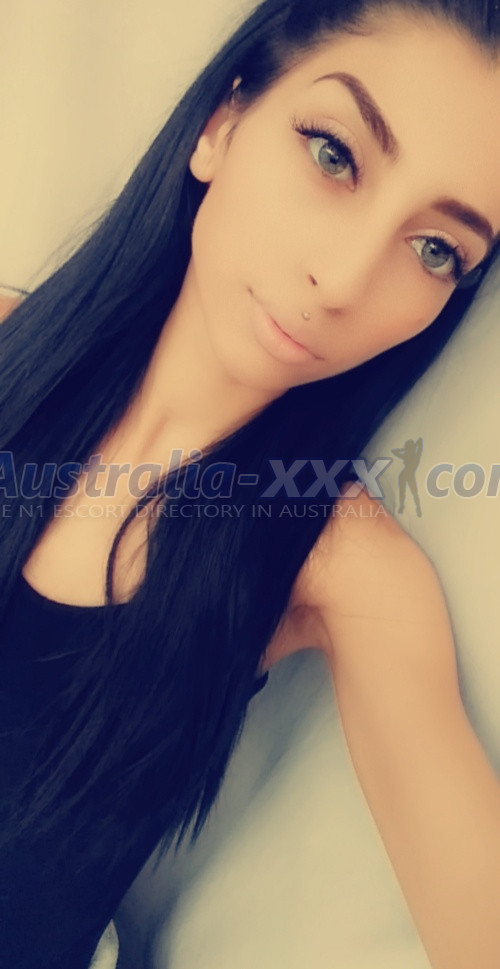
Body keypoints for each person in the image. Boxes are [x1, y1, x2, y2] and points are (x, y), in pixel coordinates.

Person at [0, 0, 499, 966]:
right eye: (334, 154)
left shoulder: (342, 566)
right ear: (222, 124)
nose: (344, 280)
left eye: (437, 249)